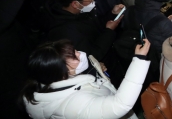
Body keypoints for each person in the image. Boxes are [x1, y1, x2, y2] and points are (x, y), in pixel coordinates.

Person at [21, 39, 151, 119]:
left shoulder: (53, 82)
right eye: (75, 57)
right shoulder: (73, 106)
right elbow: (120, 105)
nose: (80, 54)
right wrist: (139, 59)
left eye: (75, 50)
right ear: (61, 73)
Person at [43, 0, 124, 60]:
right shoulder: (65, 32)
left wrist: (112, 14)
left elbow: (95, 27)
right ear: (75, 4)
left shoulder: (78, 12)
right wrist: (109, 32)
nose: (93, 0)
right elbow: (91, 56)